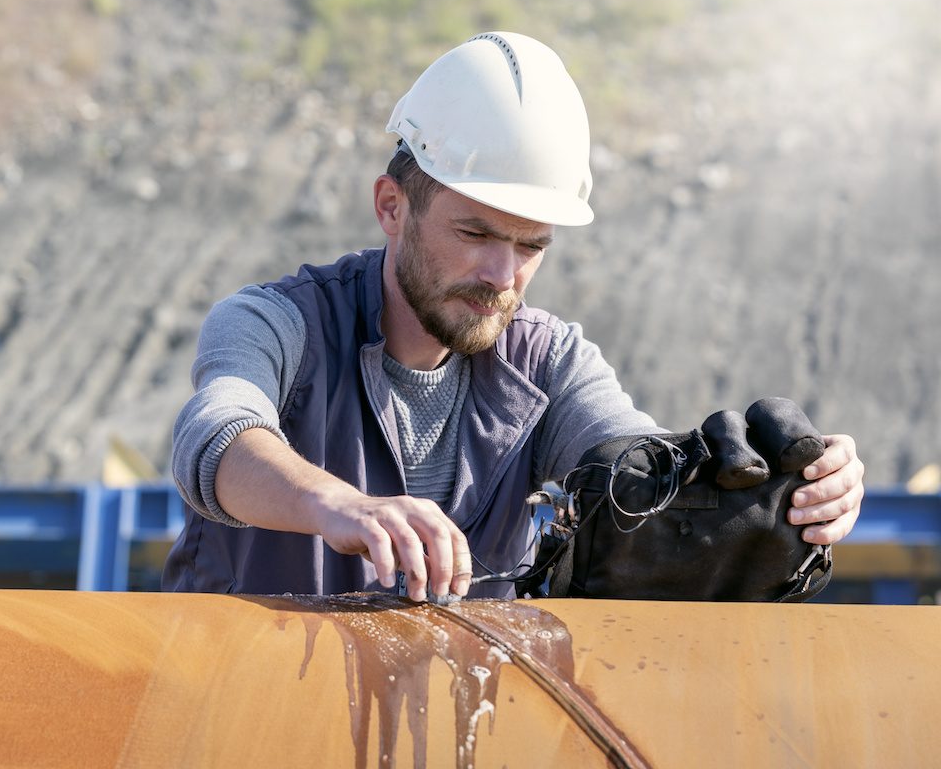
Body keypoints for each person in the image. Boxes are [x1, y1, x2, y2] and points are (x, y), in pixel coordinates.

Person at [161, 32, 864, 601]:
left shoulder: (551, 364)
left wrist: (799, 499)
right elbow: (218, 434)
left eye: (531, 246)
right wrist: (338, 506)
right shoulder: (276, 323)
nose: (503, 276)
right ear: (391, 207)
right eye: (475, 235)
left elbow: (627, 470)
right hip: (242, 717)